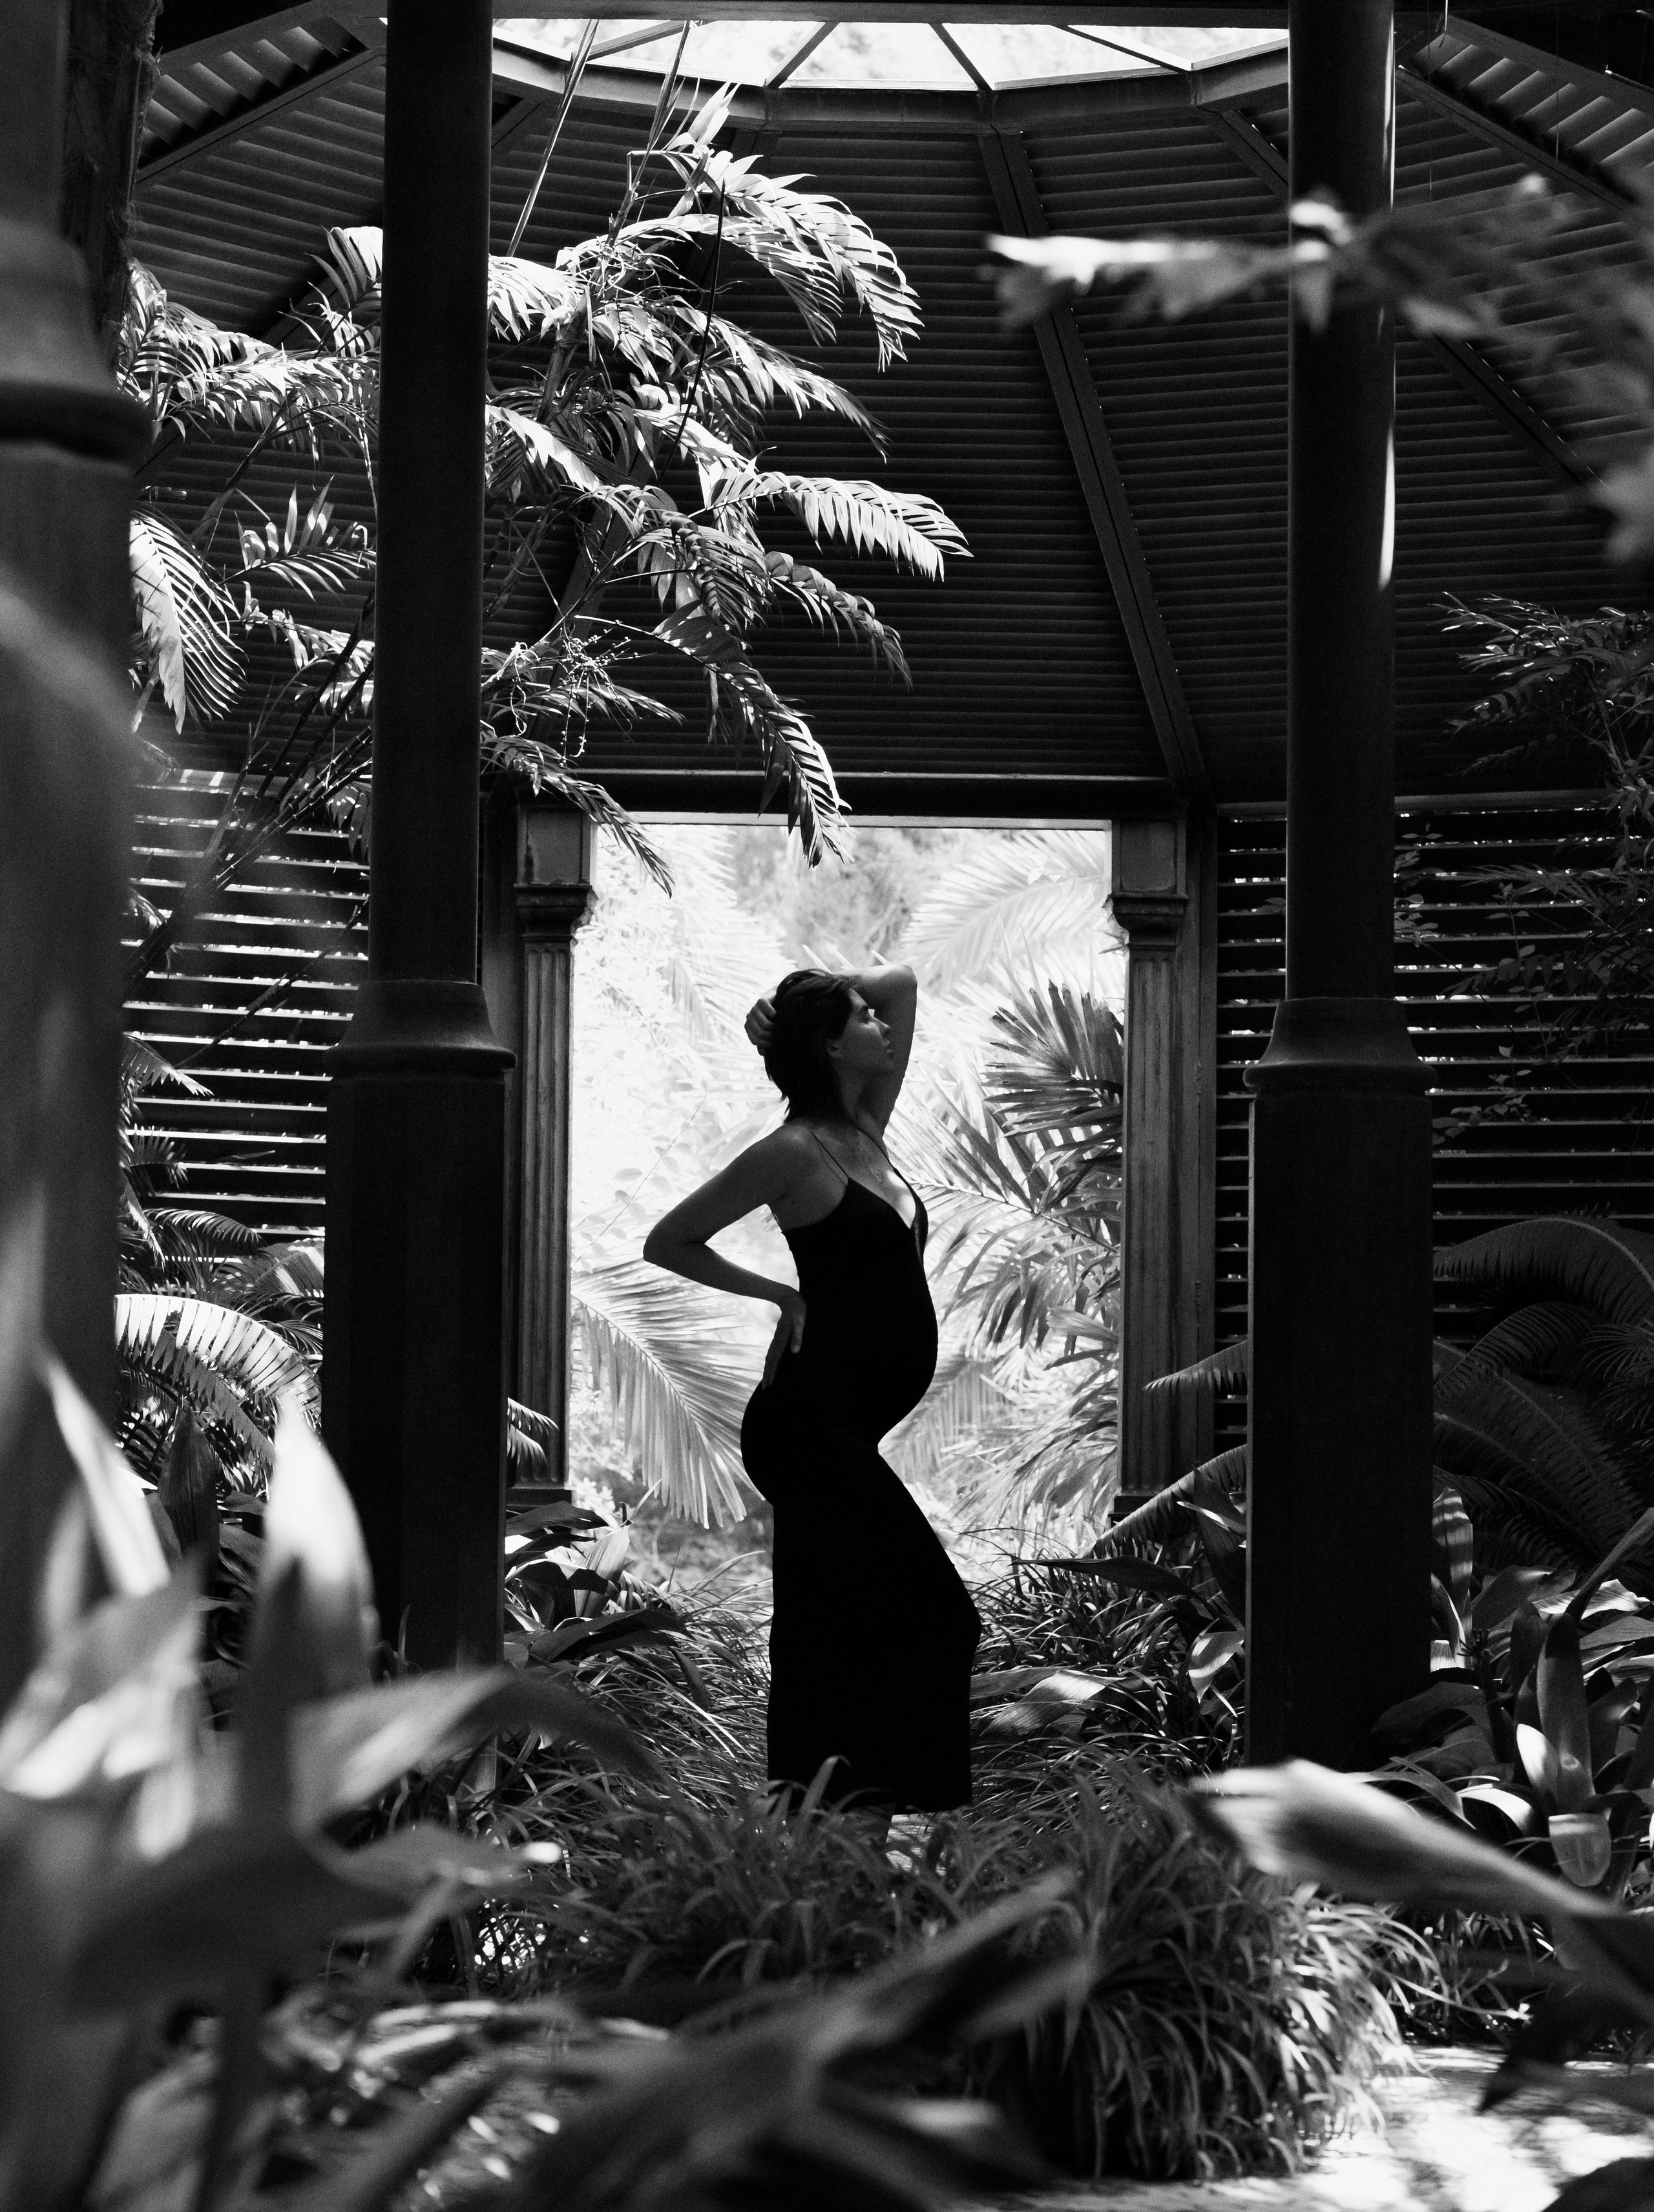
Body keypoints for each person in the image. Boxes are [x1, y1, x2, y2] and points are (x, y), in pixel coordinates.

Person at [642, 963, 981, 1815]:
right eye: (862, 1019)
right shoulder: (796, 1151)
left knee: (834, 1633)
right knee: (939, 1614)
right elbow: (670, 1240)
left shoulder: (867, 1128)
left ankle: (837, 1852)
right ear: (831, 1044)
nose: (884, 1024)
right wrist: (780, 1294)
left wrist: (787, 1011)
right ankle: (856, 1821)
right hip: (807, 1423)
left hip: (846, 1428)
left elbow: (901, 980)